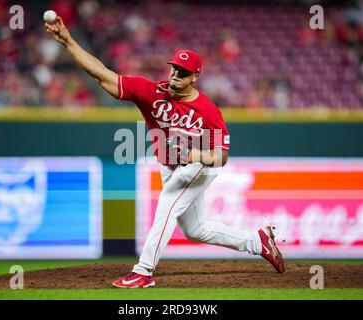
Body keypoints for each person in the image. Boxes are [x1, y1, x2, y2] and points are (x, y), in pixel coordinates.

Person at [45, 16, 285, 289]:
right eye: (174, 69)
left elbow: (222, 155)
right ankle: (258, 242)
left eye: (183, 72)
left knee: (168, 202)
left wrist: (195, 157)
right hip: (170, 165)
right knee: (195, 229)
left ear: (195, 77)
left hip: (199, 165)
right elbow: (102, 75)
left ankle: (143, 271)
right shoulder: (151, 92)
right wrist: (69, 42)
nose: (175, 75)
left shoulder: (207, 111)